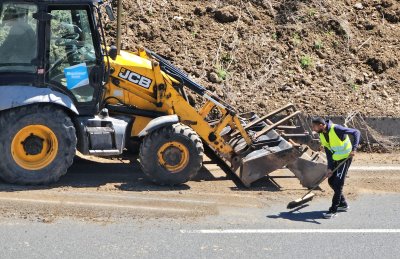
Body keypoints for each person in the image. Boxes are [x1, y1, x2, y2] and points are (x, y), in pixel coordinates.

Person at [311, 117, 360, 219]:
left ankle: (333, 210)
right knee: (331, 181)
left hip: (345, 158)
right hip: (336, 159)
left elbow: (356, 132)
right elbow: (328, 152)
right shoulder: (322, 134)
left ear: (321, 125)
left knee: (338, 184)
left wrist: (354, 149)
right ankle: (343, 204)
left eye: (314, 126)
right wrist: (329, 167)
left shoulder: (336, 128)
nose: (313, 129)